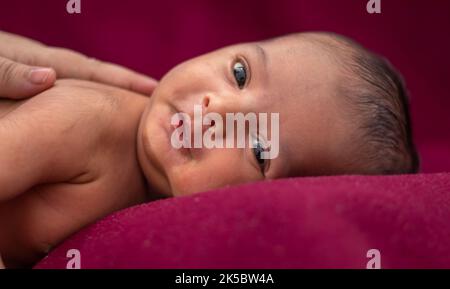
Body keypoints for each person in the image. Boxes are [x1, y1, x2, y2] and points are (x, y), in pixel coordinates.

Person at [0, 32, 419, 267]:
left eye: (259, 147)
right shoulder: (89, 120)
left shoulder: (151, 213)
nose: (217, 111)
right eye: (240, 74)